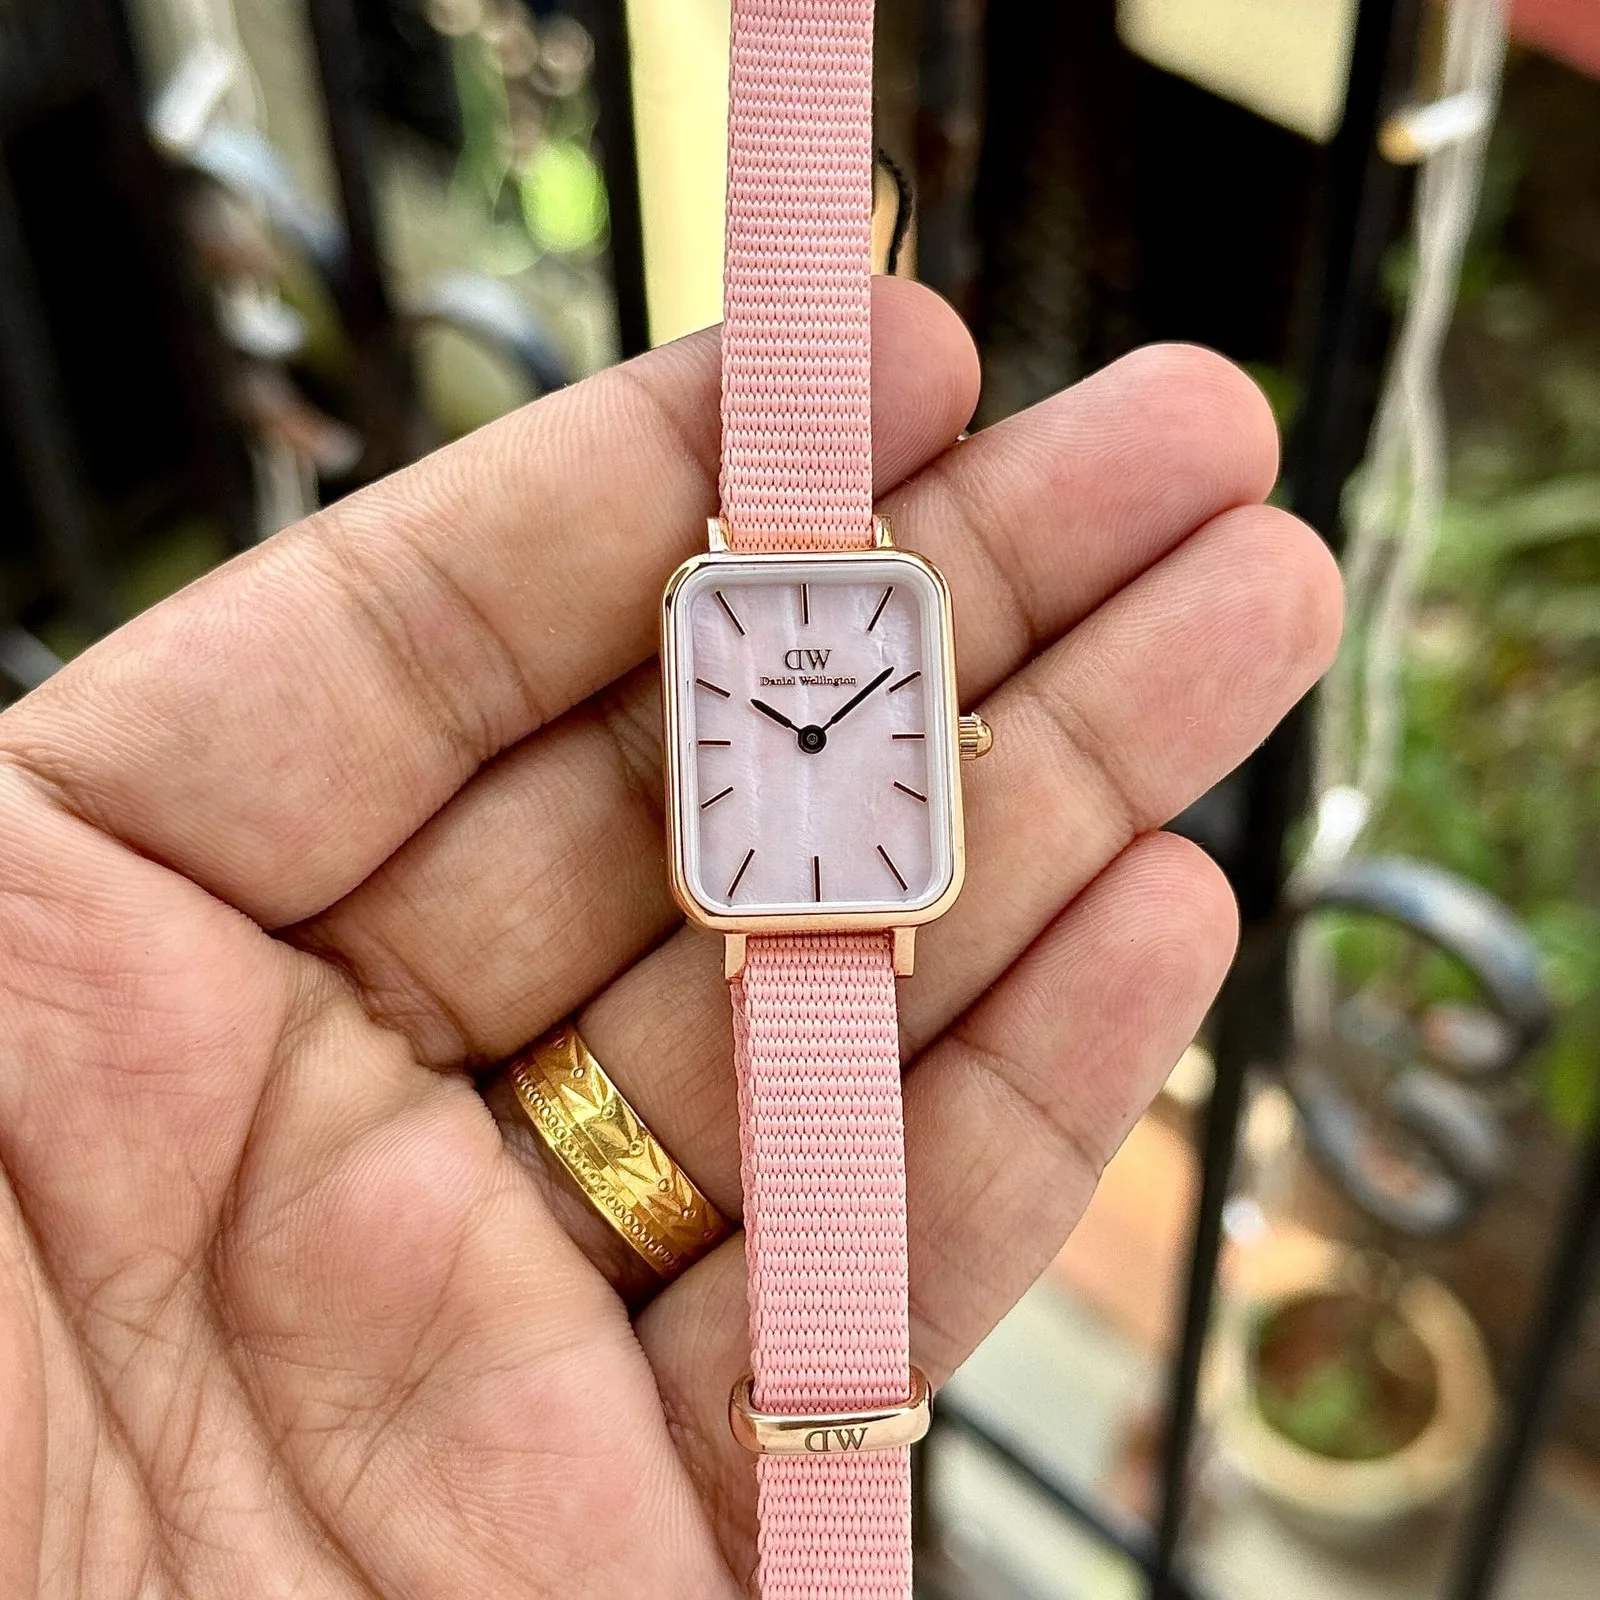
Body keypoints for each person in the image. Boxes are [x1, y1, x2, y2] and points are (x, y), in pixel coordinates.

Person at [0, 279, 1339, 1596]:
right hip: (789, 905)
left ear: (948, 730)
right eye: (799, 723)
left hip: (833, 901)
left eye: (846, 718)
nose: (811, 731)